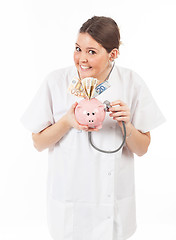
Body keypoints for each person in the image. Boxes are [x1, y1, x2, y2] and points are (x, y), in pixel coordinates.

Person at [21, 16, 165, 240]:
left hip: (112, 207)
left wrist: (125, 124)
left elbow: (142, 148)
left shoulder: (131, 83)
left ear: (113, 54)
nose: (82, 59)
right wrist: (67, 122)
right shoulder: (56, 82)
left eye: (92, 52)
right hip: (70, 205)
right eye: (78, 49)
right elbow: (38, 143)